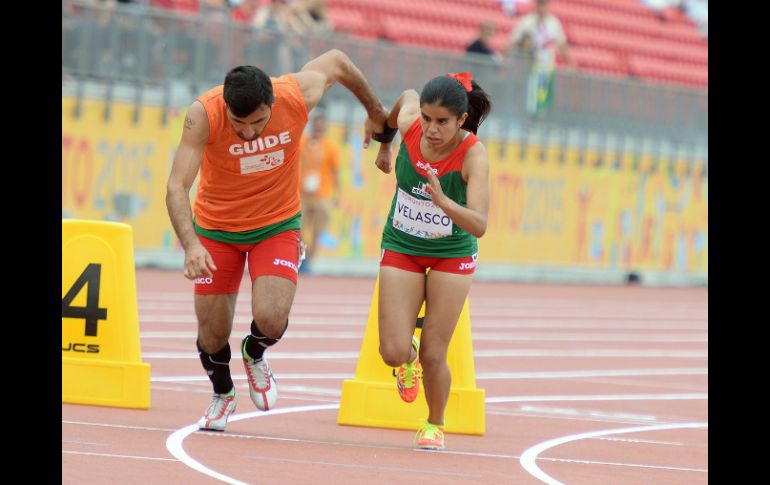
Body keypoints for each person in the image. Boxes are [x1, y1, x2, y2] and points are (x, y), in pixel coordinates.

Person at [165, 49, 389, 432]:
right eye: (240, 124)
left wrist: (374, 110)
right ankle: (222, 393)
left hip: (276, 224)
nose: (249, 132)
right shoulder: (203, 115)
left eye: (258, 122)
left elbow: (337, 61)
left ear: (272, 103)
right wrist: (191, 245)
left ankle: (255, 352)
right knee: (212, 331)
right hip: (217, 228)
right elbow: (176, 186)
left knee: (271, 317)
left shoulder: (295, 94)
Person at [369, 72, 492, 450]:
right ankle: (406, 363)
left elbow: (480, 224)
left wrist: (444, 204)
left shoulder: (473, 154)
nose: (432, 129)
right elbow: (403, 96)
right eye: (426, 119)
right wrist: (385, 144)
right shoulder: (409, 125)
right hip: (402, 244)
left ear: (461, 120)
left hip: (452, 253)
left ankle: (434, 423)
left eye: (442, 122)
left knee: (434, 353)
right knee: (391, 350)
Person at [504, 0, 575, 116]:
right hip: (529, 67)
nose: (543, 7)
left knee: (544, 97)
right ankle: (526, 118)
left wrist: (571, 64)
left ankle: (540, 118)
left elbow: (562, 44)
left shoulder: (553, 22)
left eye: (545, 4)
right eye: (541, 4)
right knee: (529, 96)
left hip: (547, 67)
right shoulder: (527, 21)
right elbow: (514, 41)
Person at [299, 110, 340, 273]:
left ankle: (309, 261)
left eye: (320, 128)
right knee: (299, 228)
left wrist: (337, 194)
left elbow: (335, 172)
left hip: (323, 195)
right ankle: (301, 256)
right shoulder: (302, 142)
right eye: (315, 127)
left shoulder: (331, 147)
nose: (317, 130)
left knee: (318, 231)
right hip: (302, 194)